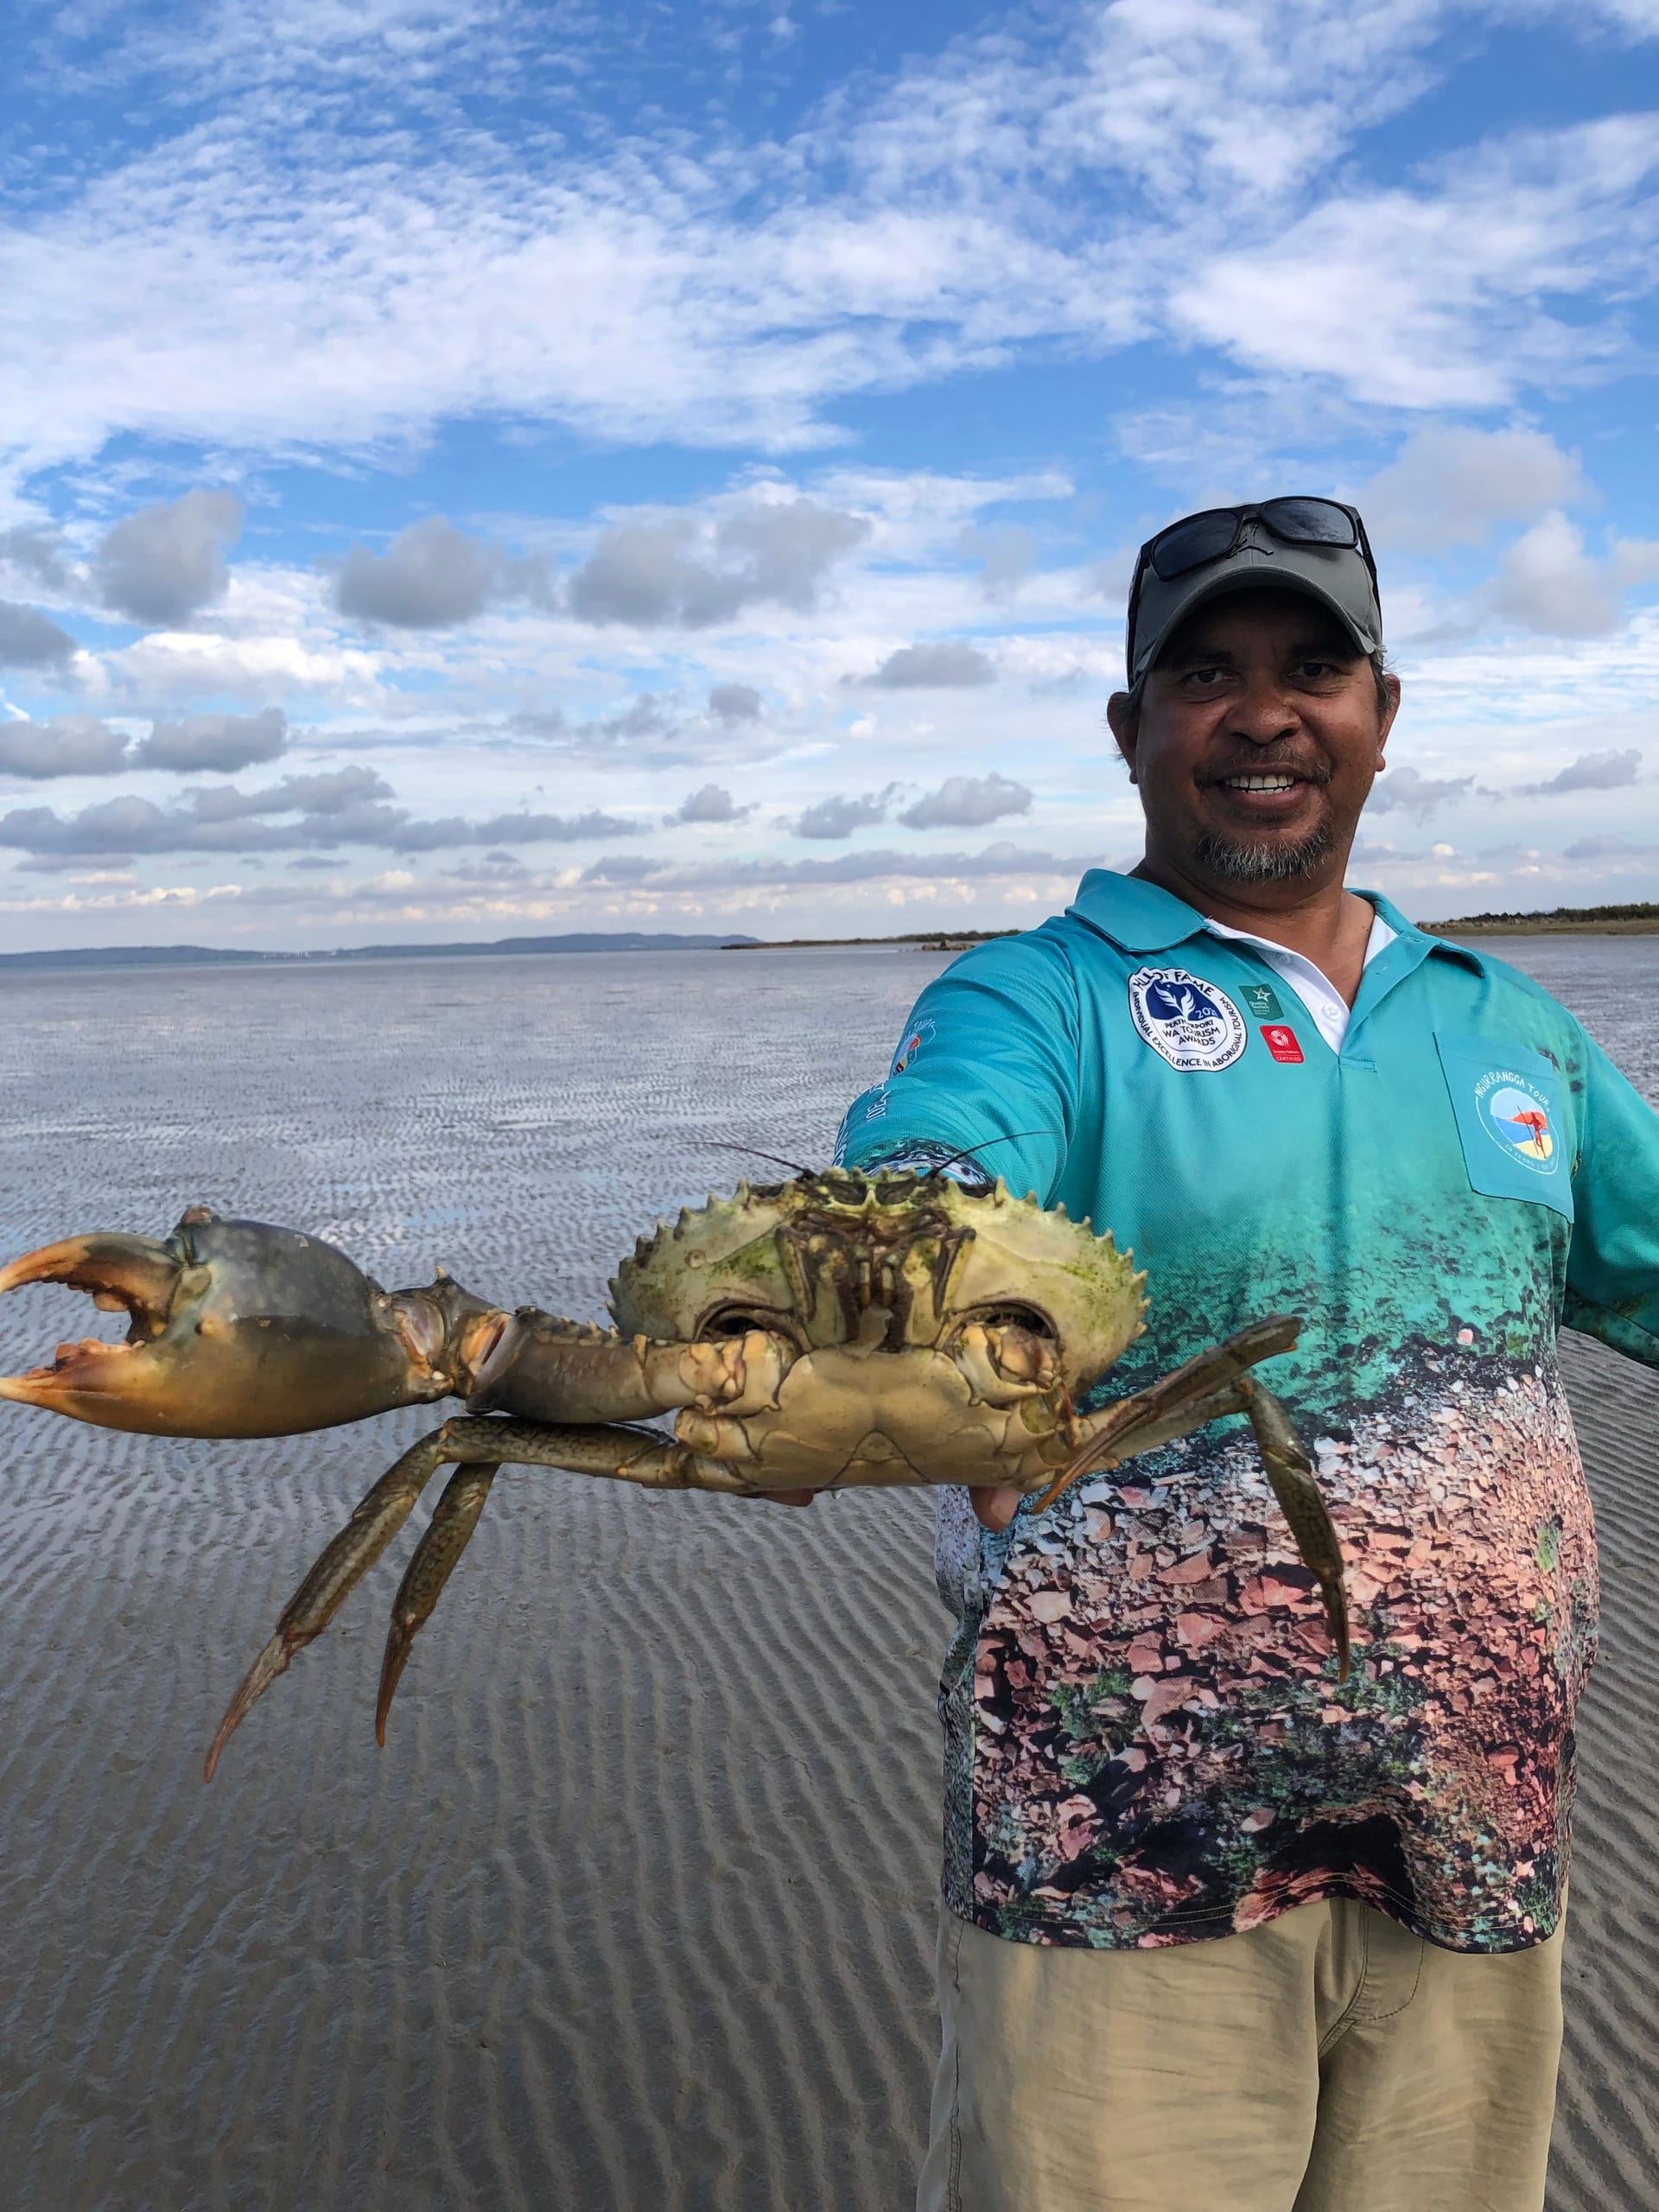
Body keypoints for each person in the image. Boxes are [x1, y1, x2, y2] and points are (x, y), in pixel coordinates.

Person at [826, 499, 1659, 2212]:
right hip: (1120, 1869)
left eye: (1312, 668)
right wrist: (942, 1278)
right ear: (1132, 728)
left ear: (1381, 714)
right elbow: (926, 1171)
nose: (1264, 711)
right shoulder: (1037, 998)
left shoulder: (1513, 1027)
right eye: (1205, 671)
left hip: (1476, 1851)